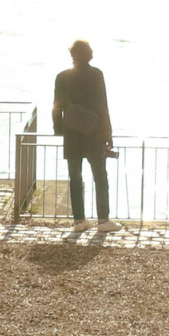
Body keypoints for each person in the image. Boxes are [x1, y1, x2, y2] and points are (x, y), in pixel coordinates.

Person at [52, 40, 120, 233]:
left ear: (72, 55)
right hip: (94, 134)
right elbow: (102, 106)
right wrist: (108, 135)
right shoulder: (96, 75)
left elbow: (56, 106)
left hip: (72, 135)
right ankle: (103, 220)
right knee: (100, 176)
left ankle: (79, 221)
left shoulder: (62, 77)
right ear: (89, 54)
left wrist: (59, 130)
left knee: (75, 176)